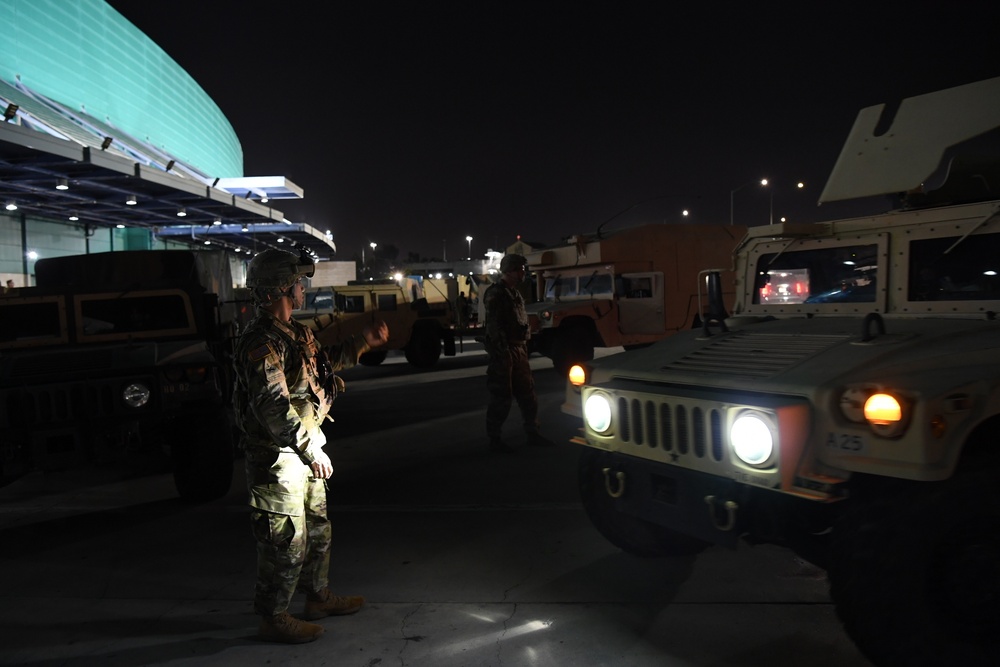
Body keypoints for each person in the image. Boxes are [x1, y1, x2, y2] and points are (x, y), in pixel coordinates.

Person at [232, 248, 389, 644]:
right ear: (283, 287)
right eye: (299, 282)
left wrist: (363, 343)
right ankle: (273, 616)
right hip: (278, 458)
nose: (304, 288)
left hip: (303, 453)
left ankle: (318, 597)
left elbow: (321, 367)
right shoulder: (260, 341)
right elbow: (272, 404)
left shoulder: (295, 334)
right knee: (284, 540)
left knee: (317, 531)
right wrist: (309, 449)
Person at [482, 253, 551, 451]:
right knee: (501, 396)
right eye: (520, 269)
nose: (523, 272)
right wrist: (502, 353)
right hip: (504, 352)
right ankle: (494, 439)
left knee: (528, 394)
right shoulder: (496, 293)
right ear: (510, 271)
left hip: (518, 349)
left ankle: (533, 433)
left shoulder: (515, 294)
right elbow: (494, 327)